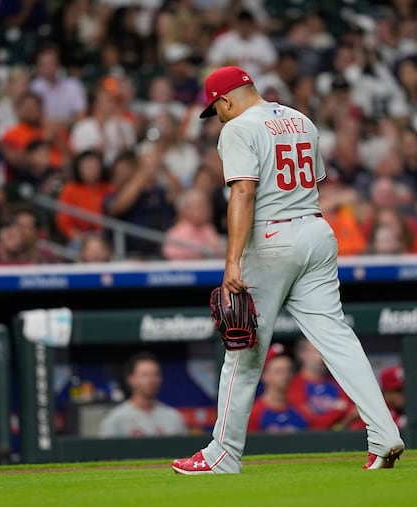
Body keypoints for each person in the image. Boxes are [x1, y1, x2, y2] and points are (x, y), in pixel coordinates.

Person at [171, 66, 404, 475]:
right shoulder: (302, 120)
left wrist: (231, 261)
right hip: (315, 231)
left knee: (242, 351)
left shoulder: (238, 128)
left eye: (216, 109)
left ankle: (222, 455)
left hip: (271, 238)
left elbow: (244, 191)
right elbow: (313, 183)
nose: (218, 117)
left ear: (225, 100)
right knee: (337, 339)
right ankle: (384, 434)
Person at [98, 351, 188, 438]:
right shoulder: (115, 419)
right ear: (131, 379)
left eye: (155, 374)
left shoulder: (173, 417)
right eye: (145, 375)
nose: (151, 380)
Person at [287, 337, 356, 429]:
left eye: (324, 350)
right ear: (302, 354)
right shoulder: (294, 385)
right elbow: (311, 422)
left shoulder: (337, 382)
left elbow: (352, 412)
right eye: (316, 351)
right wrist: (338, 410)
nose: (322, 356)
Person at [248, 344, 311, 433]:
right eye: (279, 371)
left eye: (289, 370)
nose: (285, 376)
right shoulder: (254, 413)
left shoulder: (301, 410)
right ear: (265, 375)